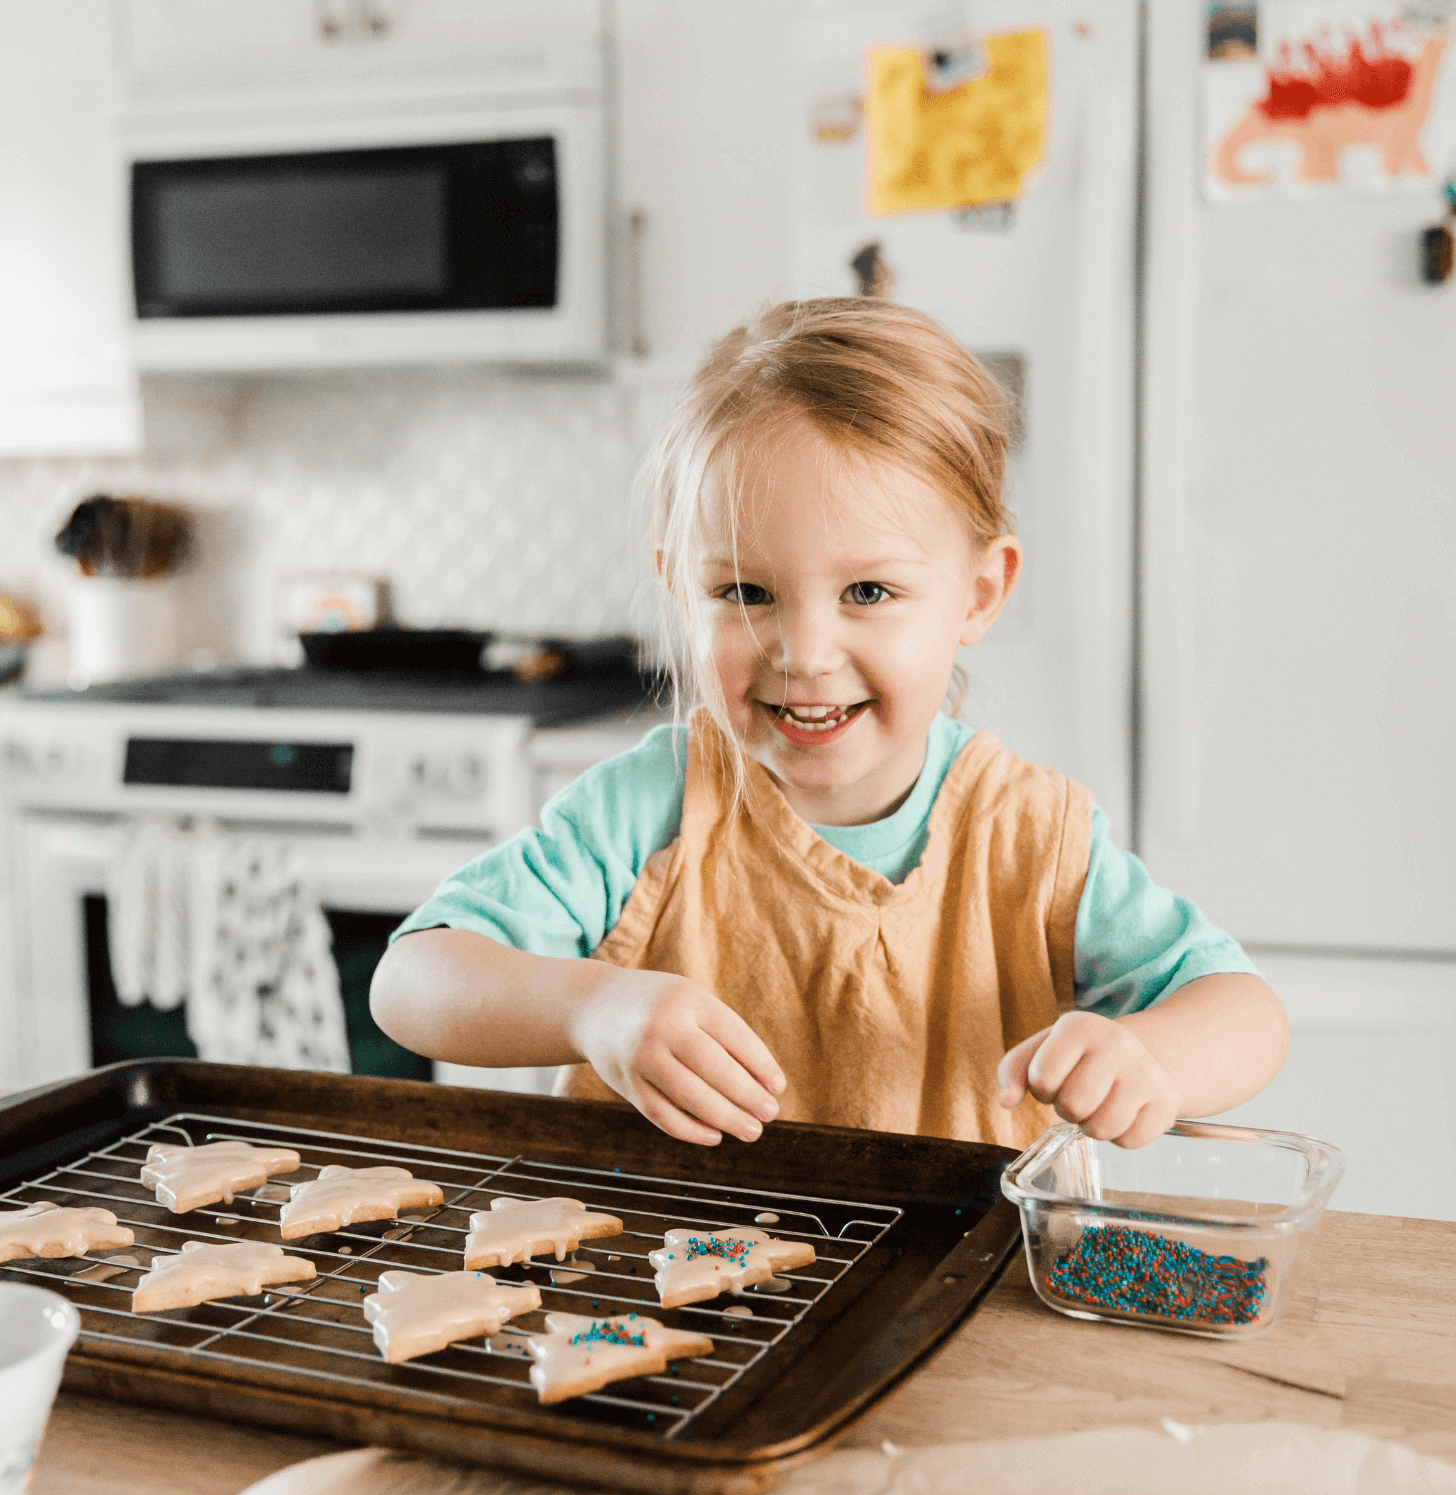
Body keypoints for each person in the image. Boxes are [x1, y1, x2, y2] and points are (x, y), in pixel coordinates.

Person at [370, 298, 1288, 1152]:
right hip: (660, 1298)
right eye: (744, 592)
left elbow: (1243, 1011)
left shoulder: (1031, 838)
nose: (803, 652)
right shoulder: (653, 807)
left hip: (953, 1305)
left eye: (868, 592)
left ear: (980, 592)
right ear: (679, 590)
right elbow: (410, 982)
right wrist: (588, 1006)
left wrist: (1150, 1058)